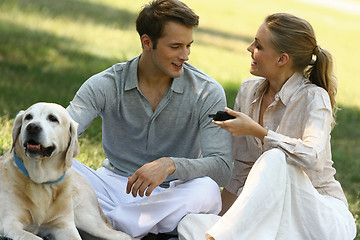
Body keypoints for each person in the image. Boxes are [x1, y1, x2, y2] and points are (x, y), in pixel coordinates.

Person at [177, 13, 357, 240]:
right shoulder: (248, 90)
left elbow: (311, 156)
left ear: (282, 59)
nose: (249, 48)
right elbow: (242, 169)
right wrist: (221, 219)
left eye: (258, 46)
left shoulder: (314, 98)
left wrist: (258, 131)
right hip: (274, 216)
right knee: (191, 223)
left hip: (319, 217)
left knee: (274, 159)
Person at [66, 0, 232, 239]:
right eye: (175, 46)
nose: (185, 55)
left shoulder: (207, 91)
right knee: (59, 168)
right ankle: (138, 227)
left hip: (172, 193)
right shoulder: (106, 84)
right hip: (112, 185)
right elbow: (62, 131)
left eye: (188, 46)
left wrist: (170, 165)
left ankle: (105, 224)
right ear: (147, 42)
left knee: (207, 190)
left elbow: (223, 168)